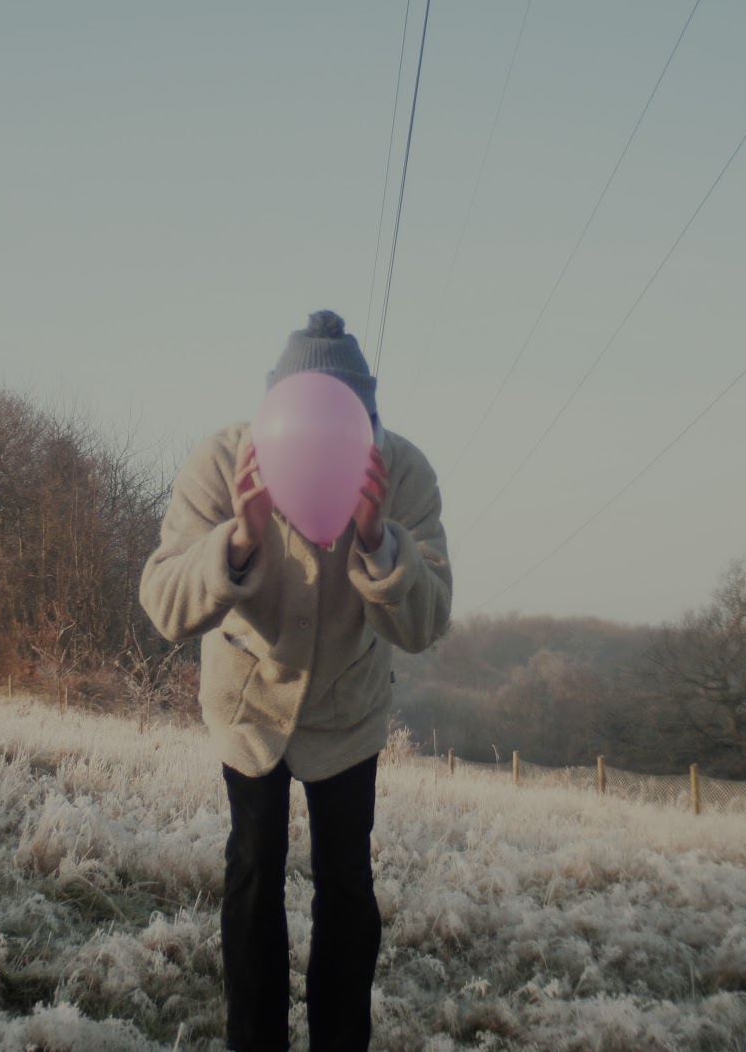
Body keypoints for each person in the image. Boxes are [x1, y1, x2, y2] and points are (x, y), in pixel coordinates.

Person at [139, 310, 452, 1051]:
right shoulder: (223, 461)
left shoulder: (403, 473)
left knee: (346, 882)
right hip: (249, 708)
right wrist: (240, 538)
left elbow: (427, 621)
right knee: (254, 871)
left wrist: (379, 541)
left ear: (368, 423)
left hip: (348, 711)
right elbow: (164, 605)